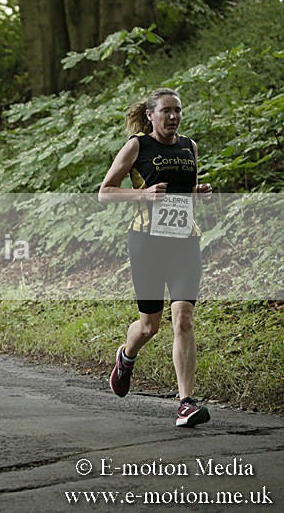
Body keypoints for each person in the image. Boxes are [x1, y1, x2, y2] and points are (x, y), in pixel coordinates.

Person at [98, 87, 213, 428]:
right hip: (146, 243)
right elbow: (105, 192)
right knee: (150, 325)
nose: (174, 116)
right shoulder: (138, 146)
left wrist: (199, 192)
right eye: (166, 111)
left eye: (177, 110)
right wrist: (142, 194)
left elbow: (183, 191)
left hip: (184, 243)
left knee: (184, 319)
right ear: (151, 115)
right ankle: (126, 356)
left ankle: (185, 403)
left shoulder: (189, 146)